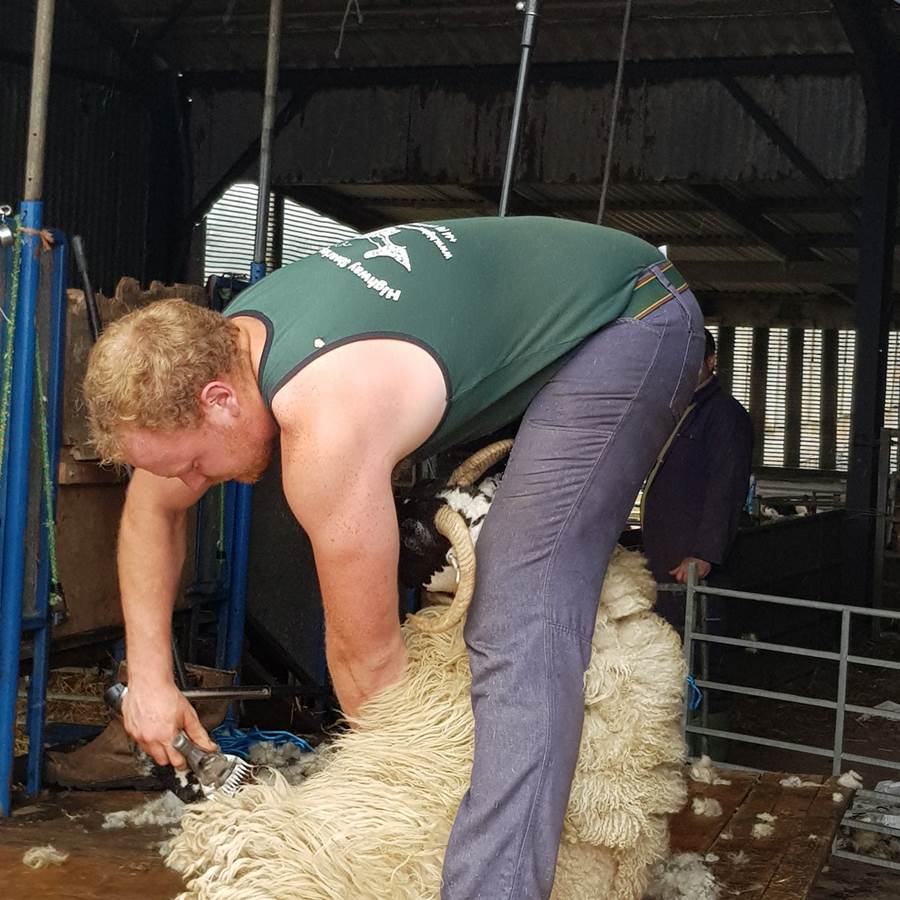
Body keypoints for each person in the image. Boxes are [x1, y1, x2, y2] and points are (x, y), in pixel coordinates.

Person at [84, 216, 703, 900]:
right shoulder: (215, 352)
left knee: (523, 606)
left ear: (220, 401)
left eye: (197, 464)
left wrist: (379, 837)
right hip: (556, 307)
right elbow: (151, 509)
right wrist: (148, 679)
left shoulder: (328, 423)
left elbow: (367, 666)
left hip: (632, 317)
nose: (194, 483)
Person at [640, 327, 754, 623]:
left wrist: (704, 554)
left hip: (690, 558)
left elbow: (726, 487)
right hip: (667, 550)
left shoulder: (725, 415)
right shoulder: (680, 411)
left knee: (693, 630)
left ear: (711, 362)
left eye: (691, 360)